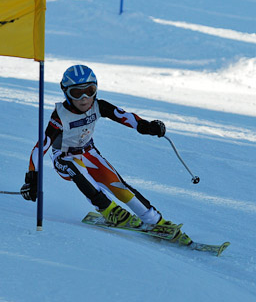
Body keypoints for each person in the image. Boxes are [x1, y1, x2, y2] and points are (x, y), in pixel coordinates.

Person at [20, 64, 191, 245]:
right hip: (64, 157)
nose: (85, 98)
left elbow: (125, 117)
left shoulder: (99, 105)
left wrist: (147, 126)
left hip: (89, 152)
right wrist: (32, 178)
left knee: (118, 185)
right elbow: (41, 147)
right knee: (82, 175)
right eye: (76, 93)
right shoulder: (60, 116)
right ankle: (107, 209)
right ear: (66, 93)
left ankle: (155, 220)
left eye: (90, 90)